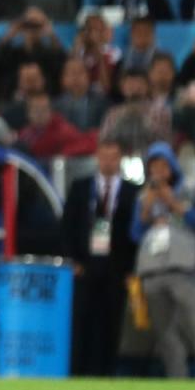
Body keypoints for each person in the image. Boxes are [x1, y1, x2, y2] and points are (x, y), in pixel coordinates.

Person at [61, 140, 139, 376]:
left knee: (112, 322)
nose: (108, 162)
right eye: (104, 157)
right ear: (97, 157)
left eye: (113, 157)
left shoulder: (132, 191)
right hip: (85, 266)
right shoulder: (81, 187)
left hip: (117, 268)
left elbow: (134, 236)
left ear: (120, 159)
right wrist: (72, 261)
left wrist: (131, 270)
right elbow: (67, 227)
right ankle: (78, 372)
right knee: (82, 319)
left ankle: (107, 372)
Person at [131, 142, 195, 378]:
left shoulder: (189, 188)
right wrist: (147, 209)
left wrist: (174, 203)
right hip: (152, 271)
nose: (158, 171)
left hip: (183, 268)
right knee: (164, 332)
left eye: (163, 165)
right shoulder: (143, 197)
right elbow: (135, 233)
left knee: (193, 323)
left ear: (172, 166)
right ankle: (178, 380)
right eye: (153, 166)